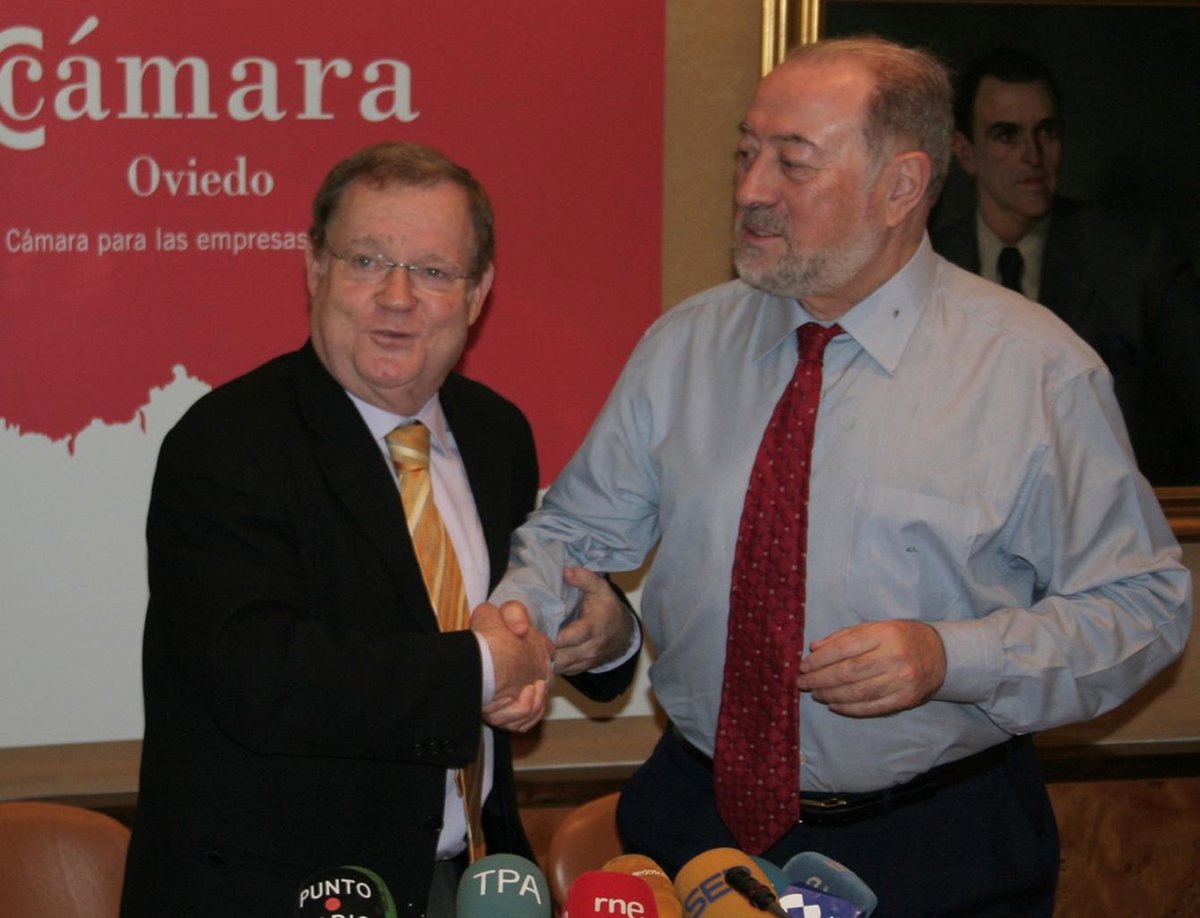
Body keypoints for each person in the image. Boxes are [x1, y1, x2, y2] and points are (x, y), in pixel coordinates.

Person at [490, 37, 1192, 917]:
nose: (752, 189)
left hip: (935, 846)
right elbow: (572, 538)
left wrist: (949, 656)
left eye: (793, 162)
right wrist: (533, 620)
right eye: (747, 152)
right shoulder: (685, 346)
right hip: (697, 826)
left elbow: (1143, 608)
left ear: (900, 186)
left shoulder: (1034, 372)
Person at [119, 141, 638, 918]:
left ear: (477, 293)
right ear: (314, 269)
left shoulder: (495, 432)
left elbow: (527, 592)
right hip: (280, 893)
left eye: (433, 270)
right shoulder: (227, 442)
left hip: (476, 881)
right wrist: (484, 667)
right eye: (366, 261)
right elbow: (259, 675)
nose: (397, 297)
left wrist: (605, 633)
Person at [931, 47, 1200, 484]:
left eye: (1047, 132)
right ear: (965, 153)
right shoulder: (931, 262)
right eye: (1007, 135)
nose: (1033, 156)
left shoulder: (1136, 258)